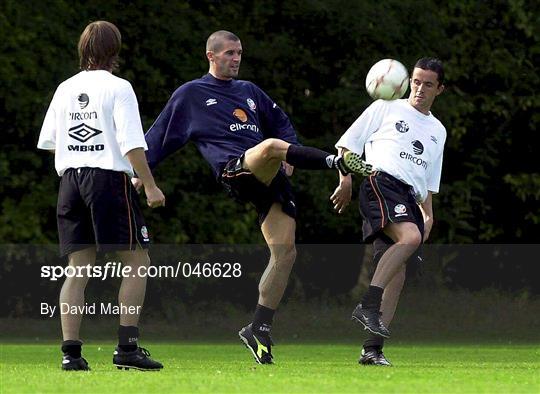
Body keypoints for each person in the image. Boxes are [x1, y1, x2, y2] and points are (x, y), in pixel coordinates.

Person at [139, 30, 370, 364]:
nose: (236, 59)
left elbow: (283, 125)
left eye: (239, 53)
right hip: (237, 169)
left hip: (269, 176)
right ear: (211, 56)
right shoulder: (190, 94)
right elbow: (159, 138)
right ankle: (335, 160)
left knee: (285, 253)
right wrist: (141, 176)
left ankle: (259, 327)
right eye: (230, 53)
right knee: (271, 147)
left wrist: (289, 155)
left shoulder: (250, 91)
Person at [37, 21, 165, 371]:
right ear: (115, 50)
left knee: (77, 269)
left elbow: (51, 143)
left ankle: (71, 356)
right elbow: (132, 144)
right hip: (107, 181)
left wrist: (85, 162)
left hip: (70, 182)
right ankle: (127, 349)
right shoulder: (119, 87)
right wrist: (147, 183)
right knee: (137, 262)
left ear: (83, 49)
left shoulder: (65, 88)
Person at [332, 58, 446, 366]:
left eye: (428, 84)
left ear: (440, 89)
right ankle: (368, 304)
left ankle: (372, 349)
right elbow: (346, 147)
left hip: (409, 197)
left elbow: (428, 182)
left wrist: (429, 215)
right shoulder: (386, 107)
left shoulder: (438, 130)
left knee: (397, 272)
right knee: (408, 238)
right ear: (409, 81)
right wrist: (345, 180)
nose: (420, 89)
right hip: (380, 182)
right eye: (417, 81)